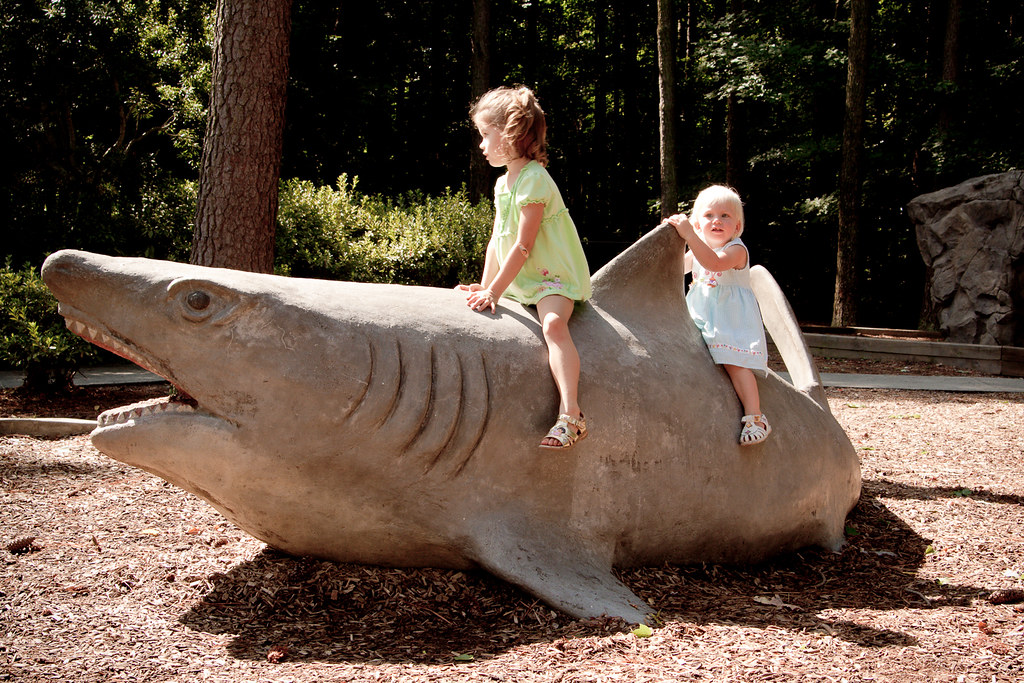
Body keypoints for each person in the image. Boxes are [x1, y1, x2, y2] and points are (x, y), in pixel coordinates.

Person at [457, 86, 593, 450]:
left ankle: (571, 413)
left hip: (553, 279)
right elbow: (497, 239)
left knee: (553, 325)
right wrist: (483, 284)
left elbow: (522, 244)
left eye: (486, 135)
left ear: (512, 133)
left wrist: (494, 293)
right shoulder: (504, 183)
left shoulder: (534, 178)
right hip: (524, 279)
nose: (482, 145)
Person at [666, 185, 772, 445]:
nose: (717, 221)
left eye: (725, 216)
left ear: (737, 226)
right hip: (700, 314)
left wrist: (690, 235)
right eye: (709, 215)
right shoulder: (698, 248)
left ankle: (755, 416)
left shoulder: (737, 250)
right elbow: (676, 268)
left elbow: (714, 263)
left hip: (728, 320)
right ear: (698, 223)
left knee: (734, 363)